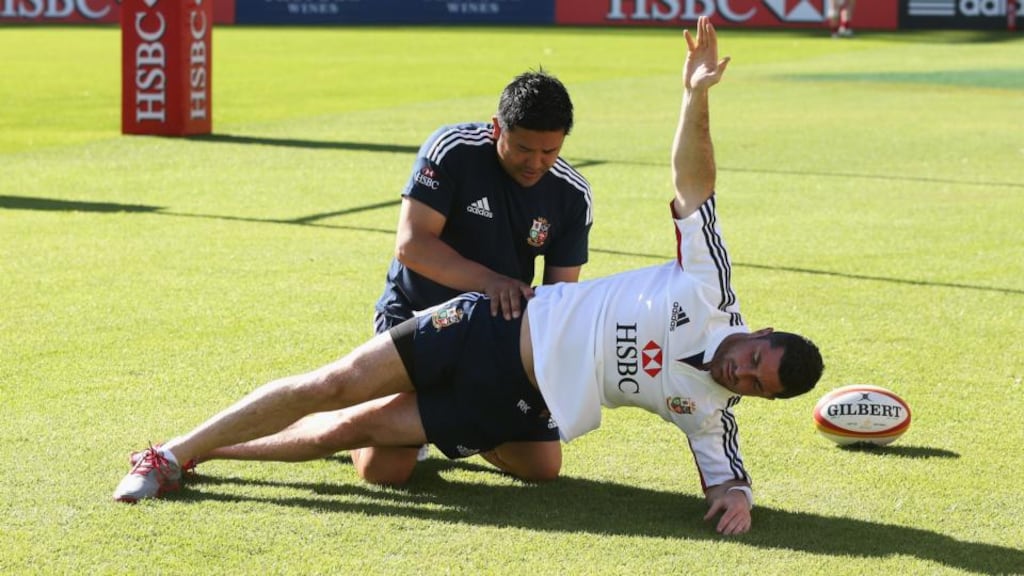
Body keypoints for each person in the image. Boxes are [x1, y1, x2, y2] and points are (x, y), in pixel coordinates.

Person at [114, 17, 823, 536]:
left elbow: (724, 470)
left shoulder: (708, 411)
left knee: (528, 466)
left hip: (520, 398)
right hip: (480, 326)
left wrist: (738, 497)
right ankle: (172, 453)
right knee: (336, 397)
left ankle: (223, 451)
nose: (745, 375)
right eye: (756, 358)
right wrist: (696, 97)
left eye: (757, 385)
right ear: (754, 332)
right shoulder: (709, 289)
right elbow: (694, 185)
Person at [184, 69, 593, 487]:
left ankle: (428, 418)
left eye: (550, 151)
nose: (536, 163)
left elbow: (559, 299)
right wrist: (491, 281)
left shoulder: (571, 194)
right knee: (385, 471)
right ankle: (356, 416)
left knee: (541, 465)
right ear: (496, 128)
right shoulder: (453, 149)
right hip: (415, 319)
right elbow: (412, 245)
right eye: (524, 148)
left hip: (491, 338)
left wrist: (546, 375)